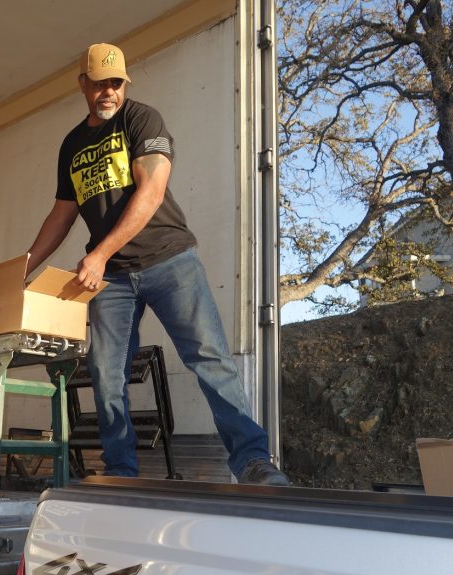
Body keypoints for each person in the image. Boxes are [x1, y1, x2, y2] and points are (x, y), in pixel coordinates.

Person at [25, 42, 289, 486]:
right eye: (100, 83)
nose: (108, 92)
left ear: (124, 84)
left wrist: (100, 253)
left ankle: (252, 462)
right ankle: (120, 474)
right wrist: (24, 266)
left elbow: (150, 192)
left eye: (116, 83)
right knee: (107, 375)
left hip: (169, 260)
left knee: (209, 358)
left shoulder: (142, 119)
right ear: (83, 85)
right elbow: (62, 213)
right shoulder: (72, 144)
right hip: (111, 278)